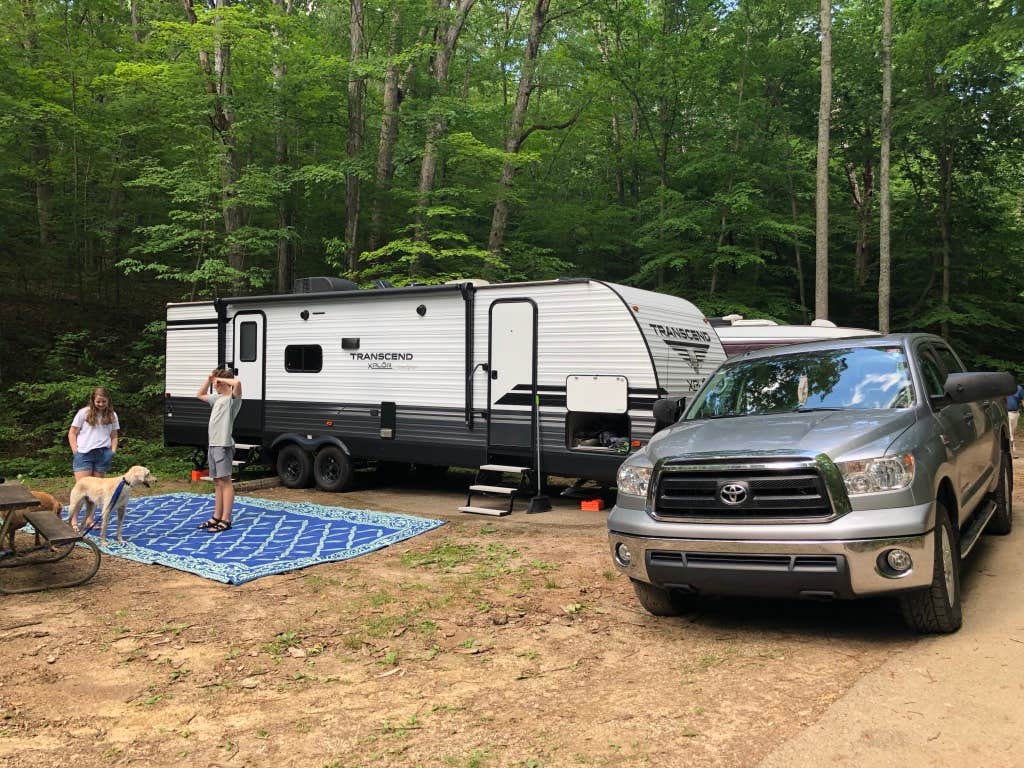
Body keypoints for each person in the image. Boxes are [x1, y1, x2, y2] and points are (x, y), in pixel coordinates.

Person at [196, 368, 243, 533]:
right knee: (217, 481)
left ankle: (226, 519)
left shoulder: (232, 399)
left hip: (223, 445)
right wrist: (209, 380)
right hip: (213, 444)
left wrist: (221, 379)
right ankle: (216, 516)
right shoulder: (217, 398)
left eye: (216, 383)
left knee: (225, 481)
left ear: (223, 383)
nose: (214, 386)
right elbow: (199, 395)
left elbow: (237, 383)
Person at [68, 388, 120, 481]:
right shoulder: (83, 412)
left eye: (104, 401)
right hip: (84, 453)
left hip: (103, 454)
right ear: (93, 400)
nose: (101, 404)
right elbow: (72, 433)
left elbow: (114, 435)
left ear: (108, 400)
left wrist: (112, 451)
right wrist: (75, 451)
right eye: (98, 401)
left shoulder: (112, 415)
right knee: (84, 486)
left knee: (98, 488)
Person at [1008, 380, 1023, 456]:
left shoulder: (1019, 388)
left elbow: (1023, 400)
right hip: (1007, 413)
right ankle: (1011, 453)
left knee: (1012, 432)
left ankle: (1012, 450)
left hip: (1016, 413)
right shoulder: (1003, 388)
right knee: (1010, 433)